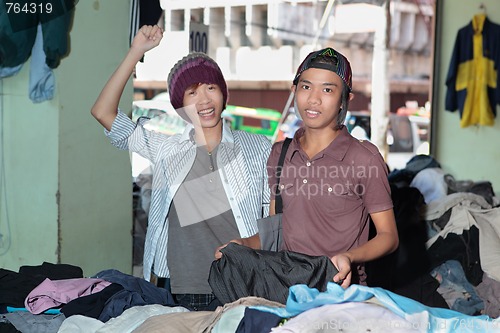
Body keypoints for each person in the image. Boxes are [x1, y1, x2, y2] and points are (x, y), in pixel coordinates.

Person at [91, 25, 271, 310]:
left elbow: (274, 217)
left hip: (245, 283)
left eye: (211, 88)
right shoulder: (166, 150)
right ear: (179, 106)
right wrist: (135, 52)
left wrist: (251, 243)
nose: (204, 100)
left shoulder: (258, 148)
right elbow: (103, 112)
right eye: (191, 93)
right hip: (181, 289)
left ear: (223, 93)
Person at [216, 47, 399, 288]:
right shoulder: (280, 154)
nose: (313, 99)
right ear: (295, 90)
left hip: (339, 293)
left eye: (327, 90)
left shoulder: (364, 158)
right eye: (306, 87)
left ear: (345, 99)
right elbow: (277, 231)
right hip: (285, 289)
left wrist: (350, 257)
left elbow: (389, 237)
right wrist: (244, 244)